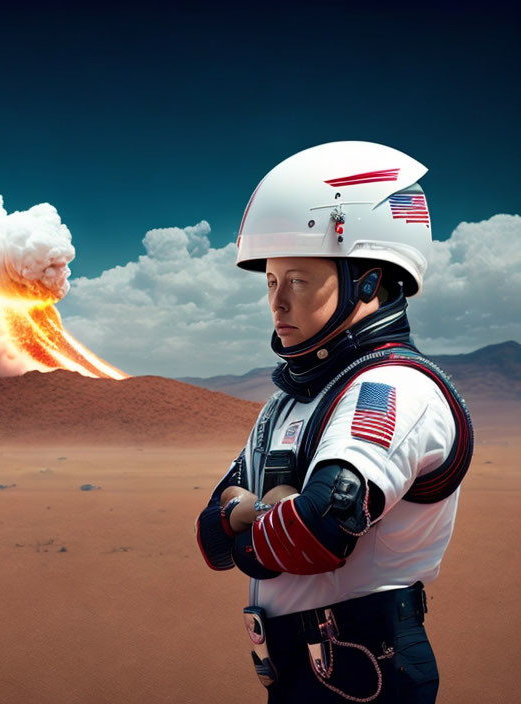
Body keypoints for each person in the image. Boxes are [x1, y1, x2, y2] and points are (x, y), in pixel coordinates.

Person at [195, 141, 473, 703]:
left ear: (368, 283)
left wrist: (245, 516)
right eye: (271, 282)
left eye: (298, 279)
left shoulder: (392, 387)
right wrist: (259, 508)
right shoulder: (287, 402)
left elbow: (315, 534)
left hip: (366, 673)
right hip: (301, 674)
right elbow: (209, 536)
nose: (277, 303)